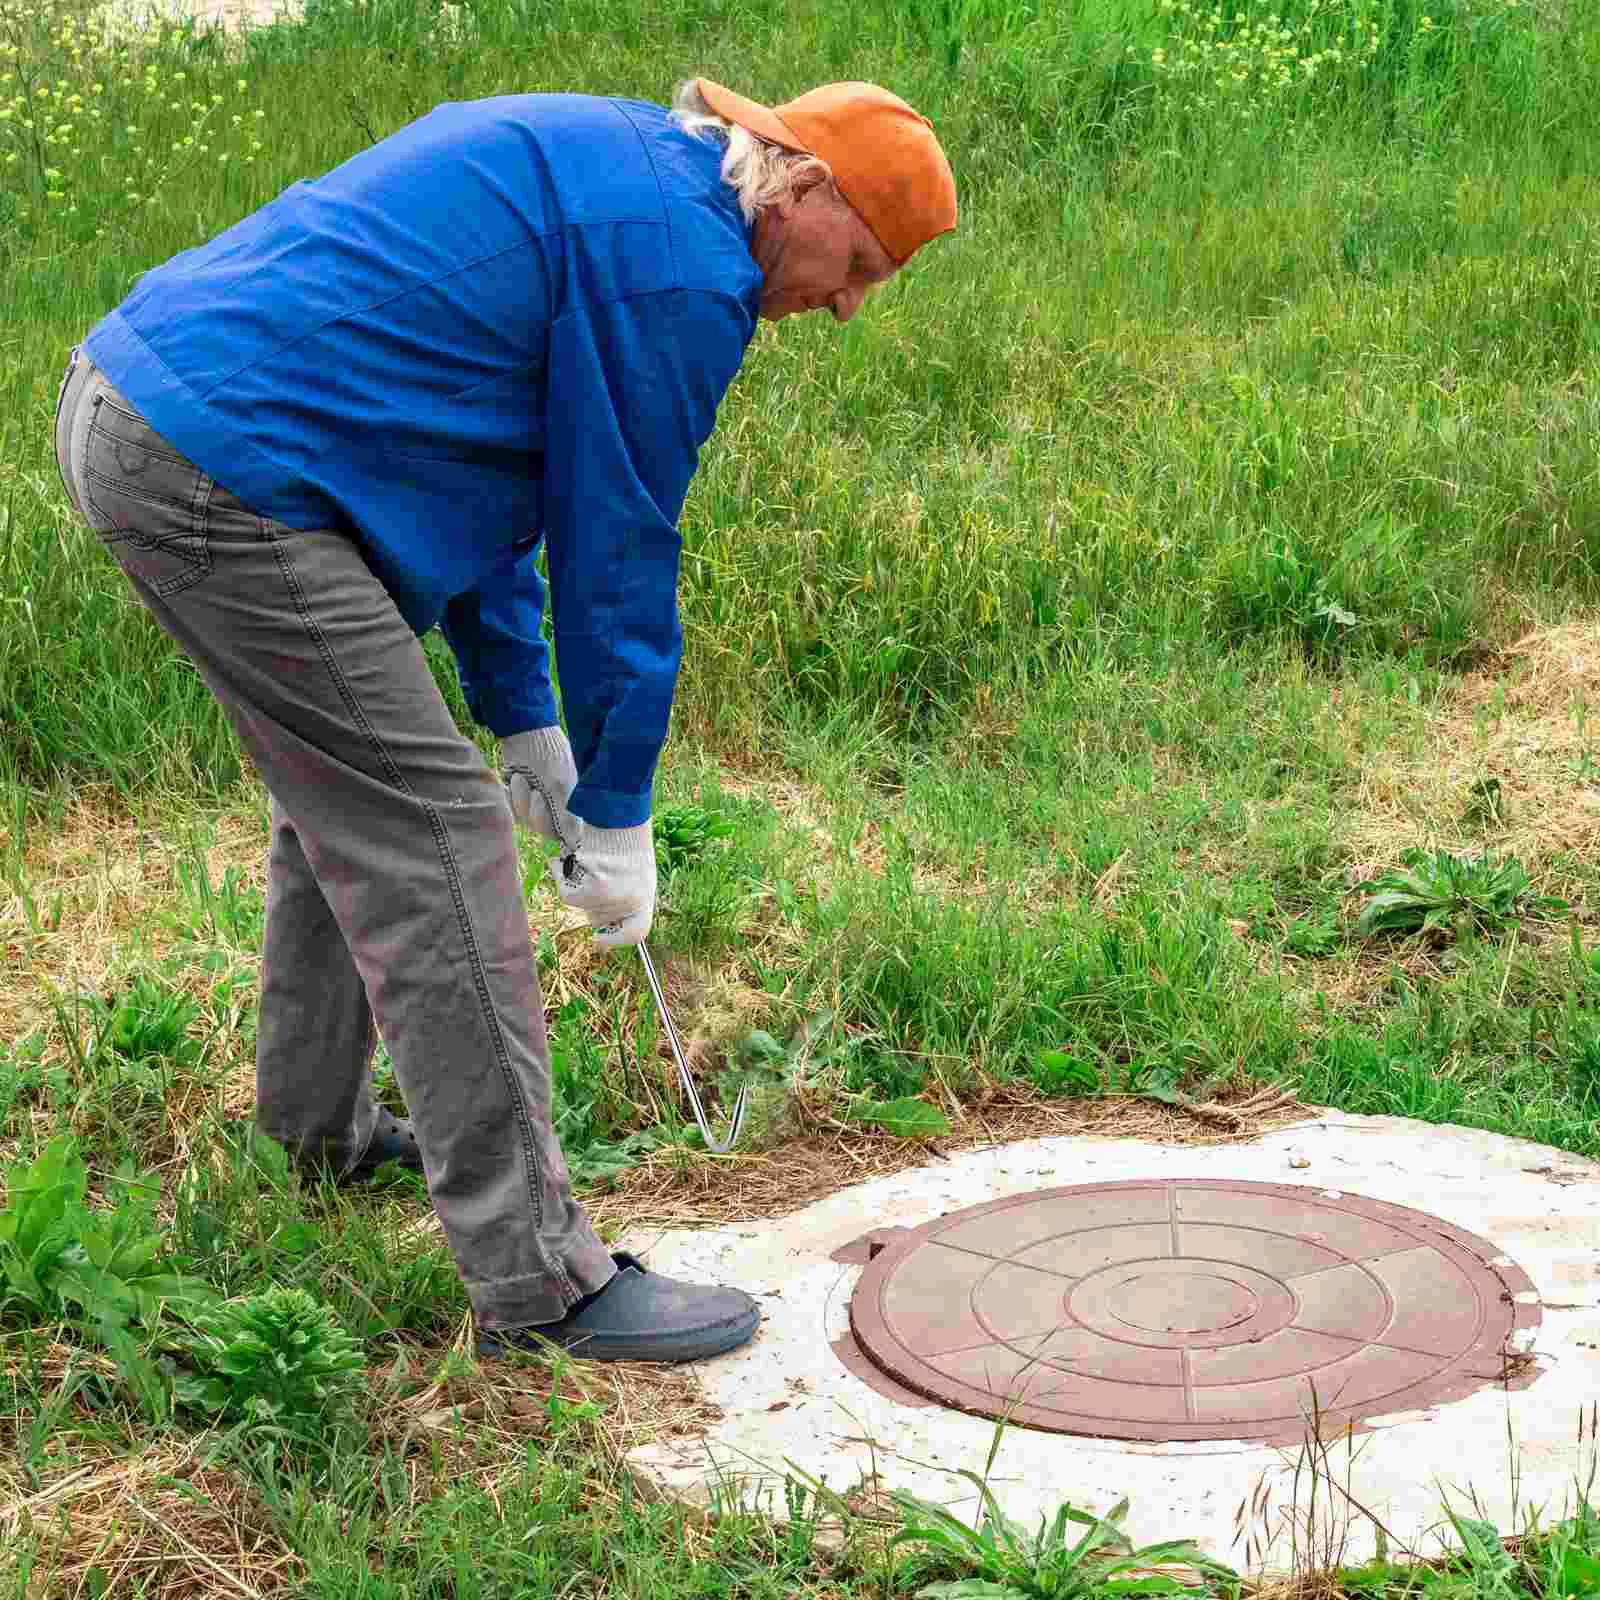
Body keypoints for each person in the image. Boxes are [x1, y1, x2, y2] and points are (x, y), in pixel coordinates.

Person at [52, 77, 957, 1363]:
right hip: (220, 462)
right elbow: (616, 544)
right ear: (802, 185)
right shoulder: (679, 274)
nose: (851, 303)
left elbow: (478, 456)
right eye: (858, 261)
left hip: (156, 408)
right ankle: (541, 1283)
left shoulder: (641, 181)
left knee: (356, 798)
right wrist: (620, 802)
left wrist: (528, 717)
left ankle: (316, 1134)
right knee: (431, 831)